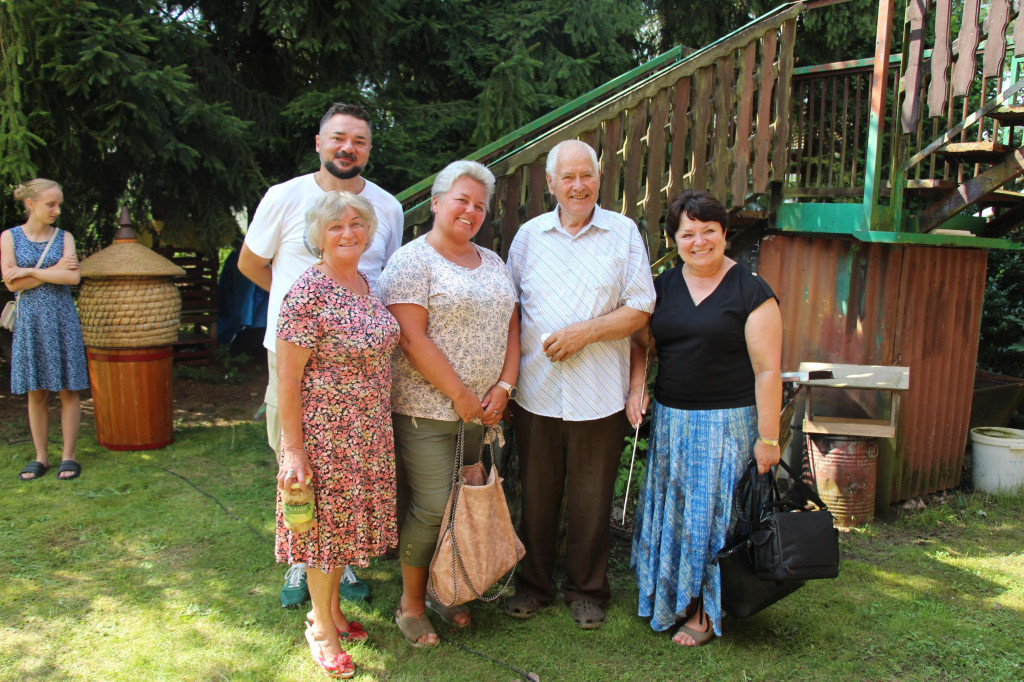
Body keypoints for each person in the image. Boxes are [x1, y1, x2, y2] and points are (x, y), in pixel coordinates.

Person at [238, 102, 403, 608]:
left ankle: (345, 555)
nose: (347, 148)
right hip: (294, 358)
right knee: (295, 457)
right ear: (319, 142)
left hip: (362, 363)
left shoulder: (387, 208)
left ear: (368, 150)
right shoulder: (284, 197)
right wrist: (304, 317)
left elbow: (384, 279)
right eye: (338, 138)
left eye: (358, 140)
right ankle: (301, 558)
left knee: (349, 468)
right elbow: (250, 263)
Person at [503, 140, 655, 630]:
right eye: (567, 177)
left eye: (585, 175)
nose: (577, 185)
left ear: (598, 177)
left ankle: (587, 589)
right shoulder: (528, 237)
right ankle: (534, 584)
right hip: (537, 391)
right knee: (538, 494)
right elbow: (511, 312)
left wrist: (585, 332)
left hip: (599, 392)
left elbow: (640, 308)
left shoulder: (623, 233)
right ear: (550, 184)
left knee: (592, 499)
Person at [626, 189, 782, 647]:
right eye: (687, 233)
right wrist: (638, 387)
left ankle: (704, 612)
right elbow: (641, 345)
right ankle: (671, 597)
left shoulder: (752, 291)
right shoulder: (662, 287)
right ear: (674, 240)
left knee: (710, 520)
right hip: (673, 422)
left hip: (726, 425)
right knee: (675, 514)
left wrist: (768, 439)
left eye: (708, 231)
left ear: (725, 234)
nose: (699, 241)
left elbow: (769, 370)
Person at [378, 160, 520, 647]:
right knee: (435, 505)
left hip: (481, 412)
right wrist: (462, 396)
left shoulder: (494, 262)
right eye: (462, 199)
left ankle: (447, 589)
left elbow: (512, 327)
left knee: (466, 500)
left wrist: (504, 386)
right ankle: (411, 605)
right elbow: (412, 340)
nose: (471, 211)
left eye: (480, 205)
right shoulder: (411, 261)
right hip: (427, 409)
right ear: (436, 202)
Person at [275, 191, 400, 678]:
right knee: (324, 535)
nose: (347, 233)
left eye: (356, 224)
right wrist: (293, 449)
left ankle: (331, 612)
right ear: (318, 236)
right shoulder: (309, 291)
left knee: (345, 527)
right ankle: (321, 629)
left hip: (367, 432)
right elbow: (287, 377)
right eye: (335, 227)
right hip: (326, 434)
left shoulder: (364, 283)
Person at [2, 179, 88, 481]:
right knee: (35, 391)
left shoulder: (65, 237)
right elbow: (12, 283)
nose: (56, 210)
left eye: (59, 204)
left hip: (62, 319)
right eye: (50, 204)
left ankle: (69, 457)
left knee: (68, 389)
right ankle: (40, 458)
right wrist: (54, 273)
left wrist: (29, 271)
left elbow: (73, 279)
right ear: (31, 204)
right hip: (31, 321)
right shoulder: (9, 237)